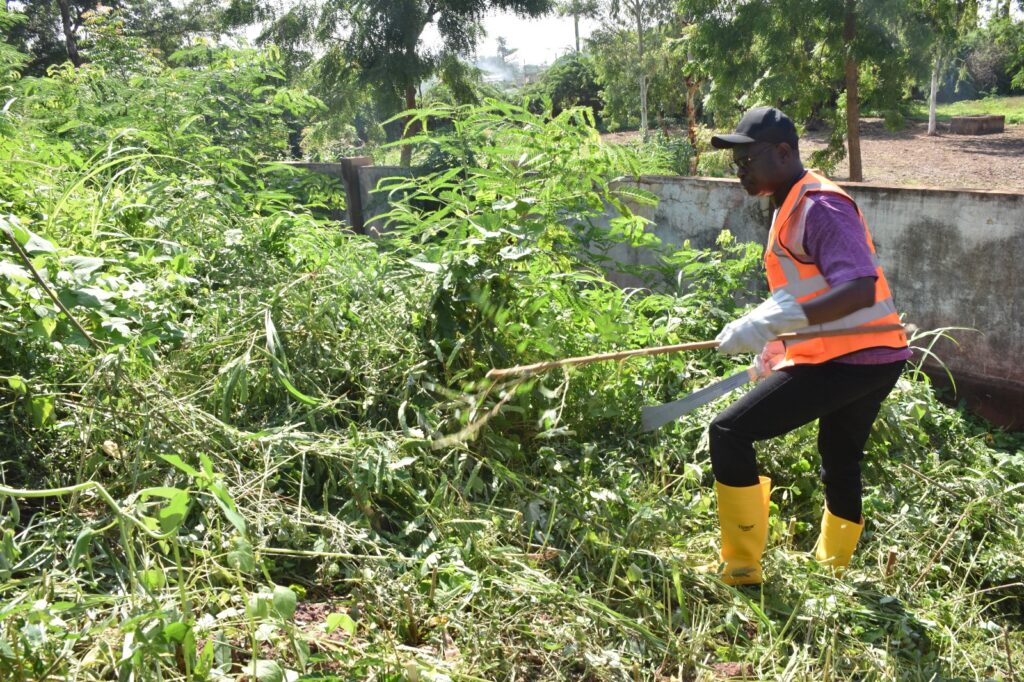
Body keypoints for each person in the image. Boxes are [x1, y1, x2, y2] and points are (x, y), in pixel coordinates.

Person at [705, 107, 911, 586]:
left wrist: (778, 322)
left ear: (783, 153)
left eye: (748, 160)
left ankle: (742, 567)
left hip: (851, 359)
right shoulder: (790, 201)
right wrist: (778, 342)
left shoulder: (819, 206)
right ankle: (833, 568)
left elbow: (859, 288)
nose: (740, 171)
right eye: (736, 163)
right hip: (875, 355)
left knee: (729, 431)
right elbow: (809, 287)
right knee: (839, 455)